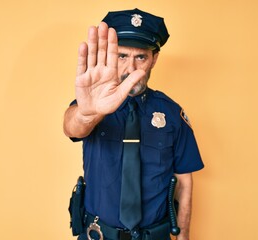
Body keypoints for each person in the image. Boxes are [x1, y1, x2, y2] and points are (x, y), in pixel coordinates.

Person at [64, 8, 204, 240]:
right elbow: (72, 127)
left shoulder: (170, 113)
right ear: (109, 57)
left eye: (141, 57)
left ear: (154, 59)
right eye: (122, 56)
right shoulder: (92, 103)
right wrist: (89, 113)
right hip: (98, 235)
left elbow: (184, 181)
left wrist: (183, 237)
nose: (131, 69)